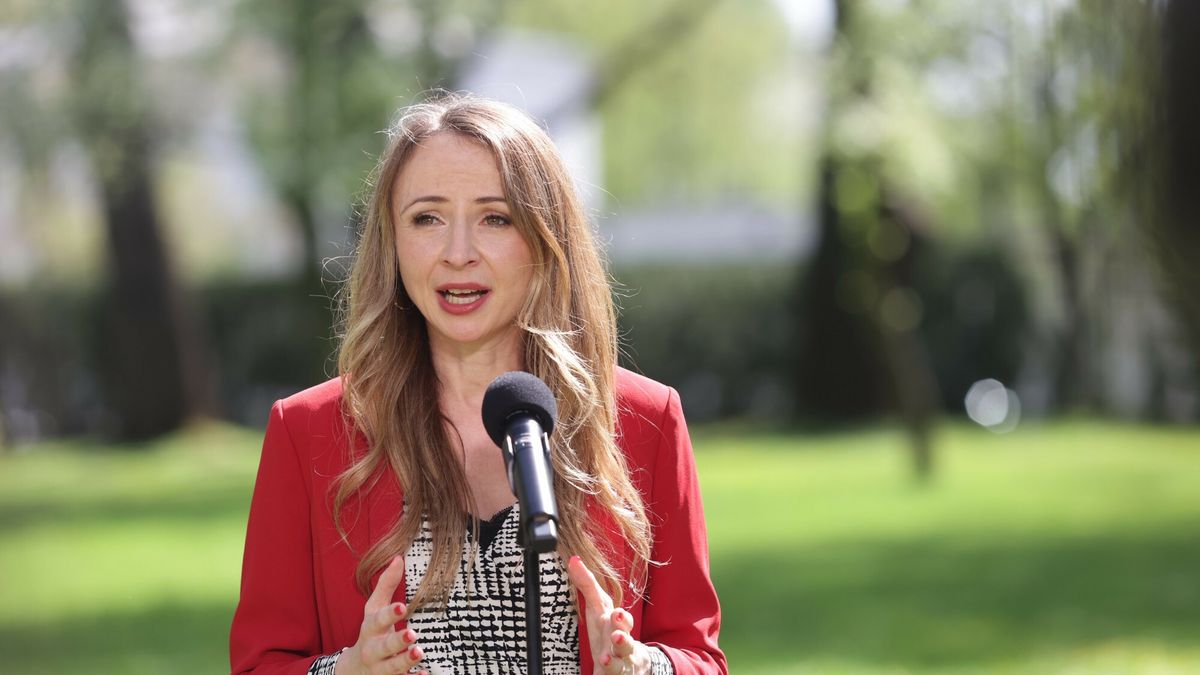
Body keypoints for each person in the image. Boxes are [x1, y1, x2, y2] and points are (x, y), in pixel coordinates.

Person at [230, 92, 725, 675]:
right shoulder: (307, 430)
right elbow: (261, 663)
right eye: (427, 219)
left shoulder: (647, 419)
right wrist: (346, 671)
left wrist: (645, 668)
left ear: (546, 240)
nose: (457, 253)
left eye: (495, 218)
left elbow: (700, 657)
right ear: (392, 244)